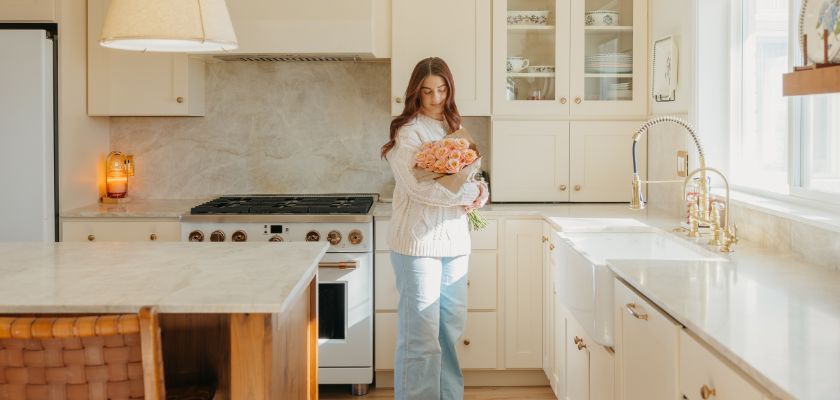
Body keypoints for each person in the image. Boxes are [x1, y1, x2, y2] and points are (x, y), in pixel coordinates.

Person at [380, 57, 489, 399]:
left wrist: (482, 190)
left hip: (455, 243)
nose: (435, 98)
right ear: (415, 92)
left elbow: (471, 176)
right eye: (427, 91)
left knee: (448, 332)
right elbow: (420, 188)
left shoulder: (452, 126)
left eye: (441, 90)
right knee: (421, 337)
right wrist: (470, 193)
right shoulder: (407, 132)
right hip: (417, 246)